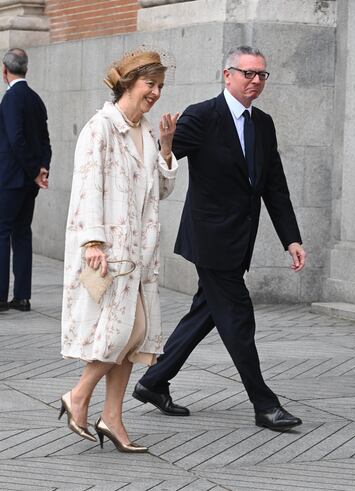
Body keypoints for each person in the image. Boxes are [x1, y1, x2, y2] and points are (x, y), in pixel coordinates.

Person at [133, 46, 306, 431]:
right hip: (210, 239)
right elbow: (159, 164)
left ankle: (152, 382)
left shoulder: (263, 123)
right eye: (247, 74)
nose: (255, 82)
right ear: (227, 75)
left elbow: (274, 187)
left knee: (206, 312)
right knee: (238, 317)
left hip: (240, 239)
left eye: (261, 75)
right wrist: (164, 144)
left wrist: (290, 238)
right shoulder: (202, 116)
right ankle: (265, 404)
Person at [60, 48, 179, 452]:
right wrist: (92, 240)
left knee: (136, 335)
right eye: (151, 84)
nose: (156, 93)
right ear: (128, 83)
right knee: (126, 332)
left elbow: (161, 191)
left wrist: (165, 149)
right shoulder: (100, 128)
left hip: (141, 254)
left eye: (161, 85)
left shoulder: (145, 131)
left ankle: (111, 418)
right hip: (109, 250)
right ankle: (79, 396)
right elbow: (87, 186)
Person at [0, 48, 51, 313]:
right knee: (22, 234)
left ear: (4, 70)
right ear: (26, 69)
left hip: (10, 179)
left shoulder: (10, 99)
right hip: (29, 183)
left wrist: (34, 170)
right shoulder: (35, 99)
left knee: (2, 233)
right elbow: (45, 140)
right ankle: (22, 297)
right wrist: (43, 169)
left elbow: (16, 140)